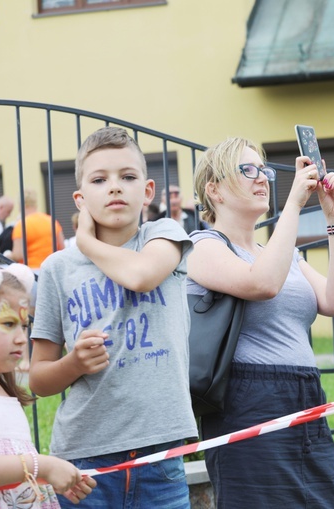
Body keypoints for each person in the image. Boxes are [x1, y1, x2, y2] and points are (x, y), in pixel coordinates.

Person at [28, 127, 197, 508]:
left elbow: (141, 276)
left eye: (128, 177)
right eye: (100, 180)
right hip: (84, 465)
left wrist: (86, 241)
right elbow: (38, 379)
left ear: (148, 191)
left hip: (160, 459)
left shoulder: (166, 235)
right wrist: (73, 363)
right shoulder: (57, 269)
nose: (115, 188)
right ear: (80, 197)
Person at [187, 137, 334, 508]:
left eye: (263, 170)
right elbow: (260, 284)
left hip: (307, 392)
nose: (262, 178)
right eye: (247, 170)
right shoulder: (202, 246)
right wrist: (295, 203)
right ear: (213, 189)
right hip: (248, 399)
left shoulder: (279, 253)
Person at [0, 258, 96, 508]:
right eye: (9, 324)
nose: (23, 339)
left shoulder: (1, 389)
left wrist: (44, 478)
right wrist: (41, 465)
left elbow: (4, 468)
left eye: (24, 326)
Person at [10, 189, 65, 269]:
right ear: (35, 204)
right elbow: (62, 248)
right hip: (51, 268)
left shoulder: (21, 225)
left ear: (21, 206)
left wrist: (7, 255)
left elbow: (18, 255)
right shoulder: (51, 220)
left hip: (31, 270)